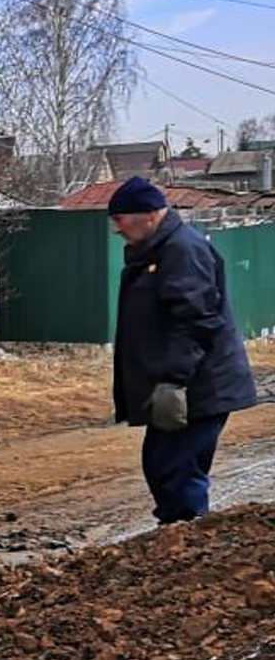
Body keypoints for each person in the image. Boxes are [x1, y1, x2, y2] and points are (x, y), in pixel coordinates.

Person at [108, 177, 257, 524]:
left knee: (176, 467)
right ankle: (177, 539)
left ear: (148, 215)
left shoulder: (181, 250)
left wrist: (174, 381)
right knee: (162, 462)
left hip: (200, 388)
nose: (117, 229)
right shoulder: (158, 250)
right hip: (183, 386)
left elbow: (196, 321)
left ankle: (185, 541)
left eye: (120, 219)